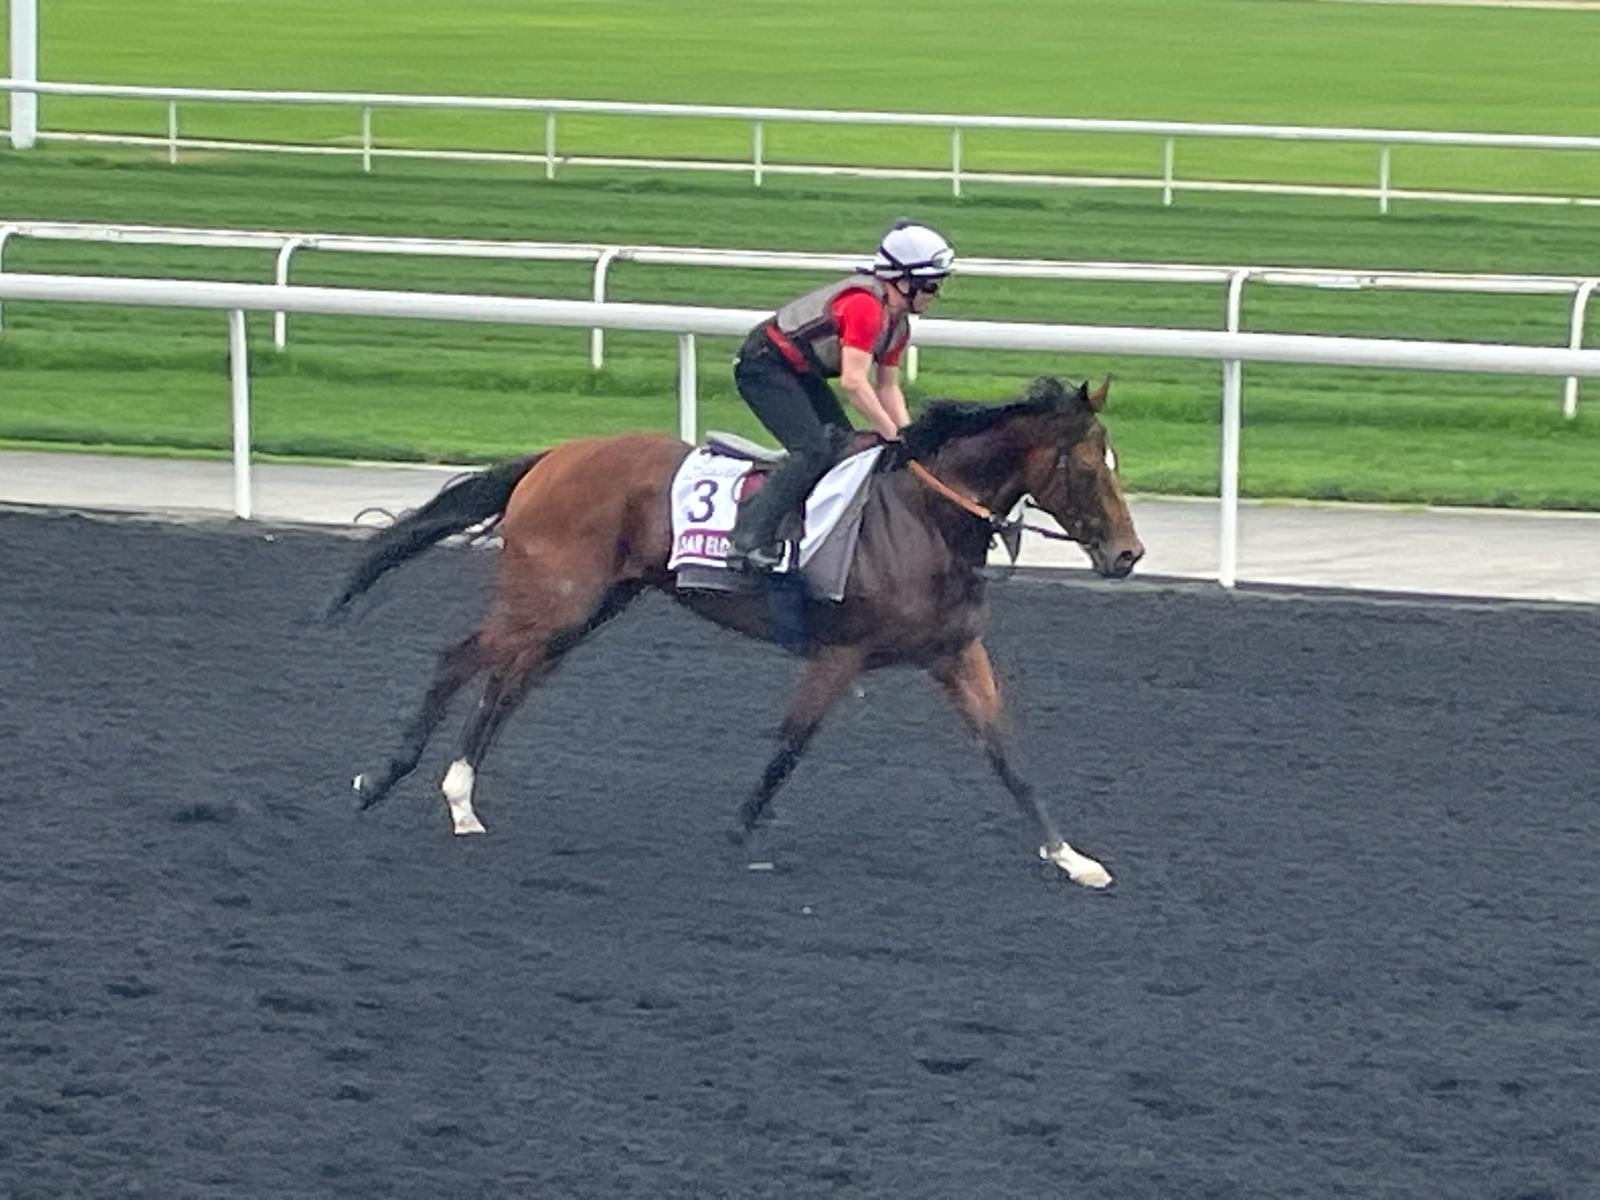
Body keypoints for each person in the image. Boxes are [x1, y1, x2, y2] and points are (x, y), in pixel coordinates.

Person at [725, 219, 955, 572]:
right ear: (905, 281)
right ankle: (747, 538)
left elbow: (887, 387)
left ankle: (801, 527)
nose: (935, 295)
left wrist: (909, 436)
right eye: (932, 286)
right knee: (814, 450)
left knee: (844, 448)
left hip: (797, 371)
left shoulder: (898, 326)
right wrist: (892, 435)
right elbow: (853, 383)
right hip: (763, 367)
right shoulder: (865, 309)